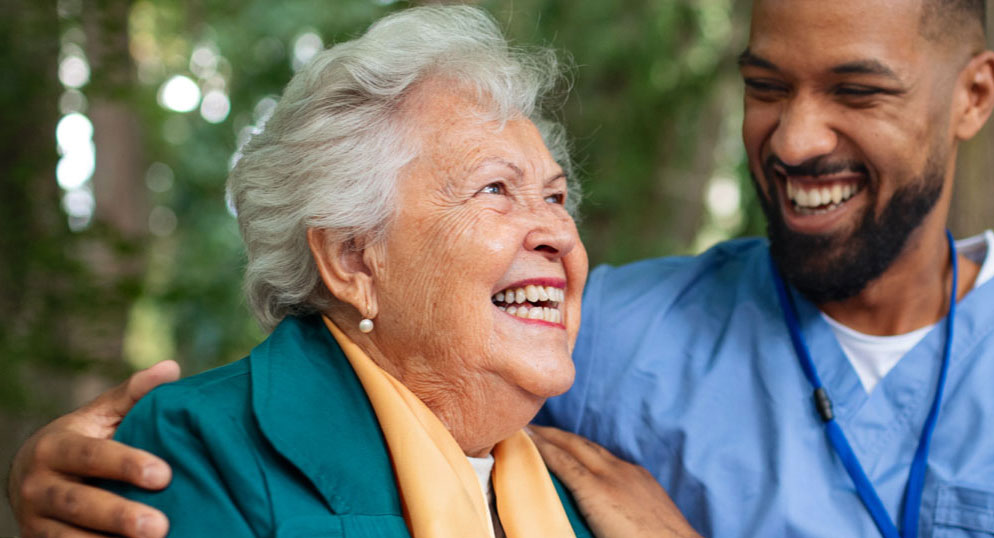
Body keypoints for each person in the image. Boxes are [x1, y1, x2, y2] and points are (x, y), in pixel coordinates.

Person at [8, 0, 994, 536]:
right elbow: (364, 381)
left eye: (859, 91)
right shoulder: (610, 332)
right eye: (764, 86)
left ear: (973, 96)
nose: (794, 138)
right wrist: (81, 468)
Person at [6, 5, 700, 537]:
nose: (556, 231)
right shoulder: (195, 449)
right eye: (495, 189)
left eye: (554, 196)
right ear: (351, 259)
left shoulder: (585, 500)